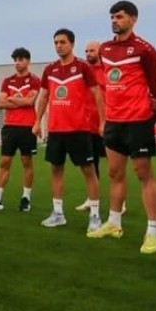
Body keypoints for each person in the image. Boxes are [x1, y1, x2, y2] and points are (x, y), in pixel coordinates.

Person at [89, 0, 156, 255]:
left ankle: (153, 232)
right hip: (114, 121)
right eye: (112, 16)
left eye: (119, 16)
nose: (114, 20)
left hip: (138, 120)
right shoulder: (106, 48)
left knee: (144, 174)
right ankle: (114, 223)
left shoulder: (145, 49)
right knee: (114, 173)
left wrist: (148, 121)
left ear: (133, 19)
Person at [30, 30, 105, 231]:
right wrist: (37, 121)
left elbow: (98, 95)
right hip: (56, 129)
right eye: (56, 42)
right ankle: (58, 214)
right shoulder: (50, 69)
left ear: (72, 44)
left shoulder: (82, 67)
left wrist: (102, 122)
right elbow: (44, 96)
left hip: (79, 129)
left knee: (89, 171)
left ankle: (95, 216)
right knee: (56, 170)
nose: (59, 46)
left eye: (62, 42)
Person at [0, 47, 40, 213]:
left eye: (21, 59)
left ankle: (26, 198)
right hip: (10, 126)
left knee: (26, 162)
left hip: (27, 126)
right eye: (15, 60)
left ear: (28, 61)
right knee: (5, 162)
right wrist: (19, 100)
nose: (18, 63)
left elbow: (30, 102)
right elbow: (1, 103)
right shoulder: (7, 81)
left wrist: (12, 99)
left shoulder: (34, 80)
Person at [75, 40, 110, 211]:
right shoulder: (84, 72)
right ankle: (92, 199)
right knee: (90, 165)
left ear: (100, 52)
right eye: (86, 51)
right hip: (87, 126)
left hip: (107, 125)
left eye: (92, 50)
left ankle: (120, 203)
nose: (88, 53)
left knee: (114, 166)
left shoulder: (108, 71)